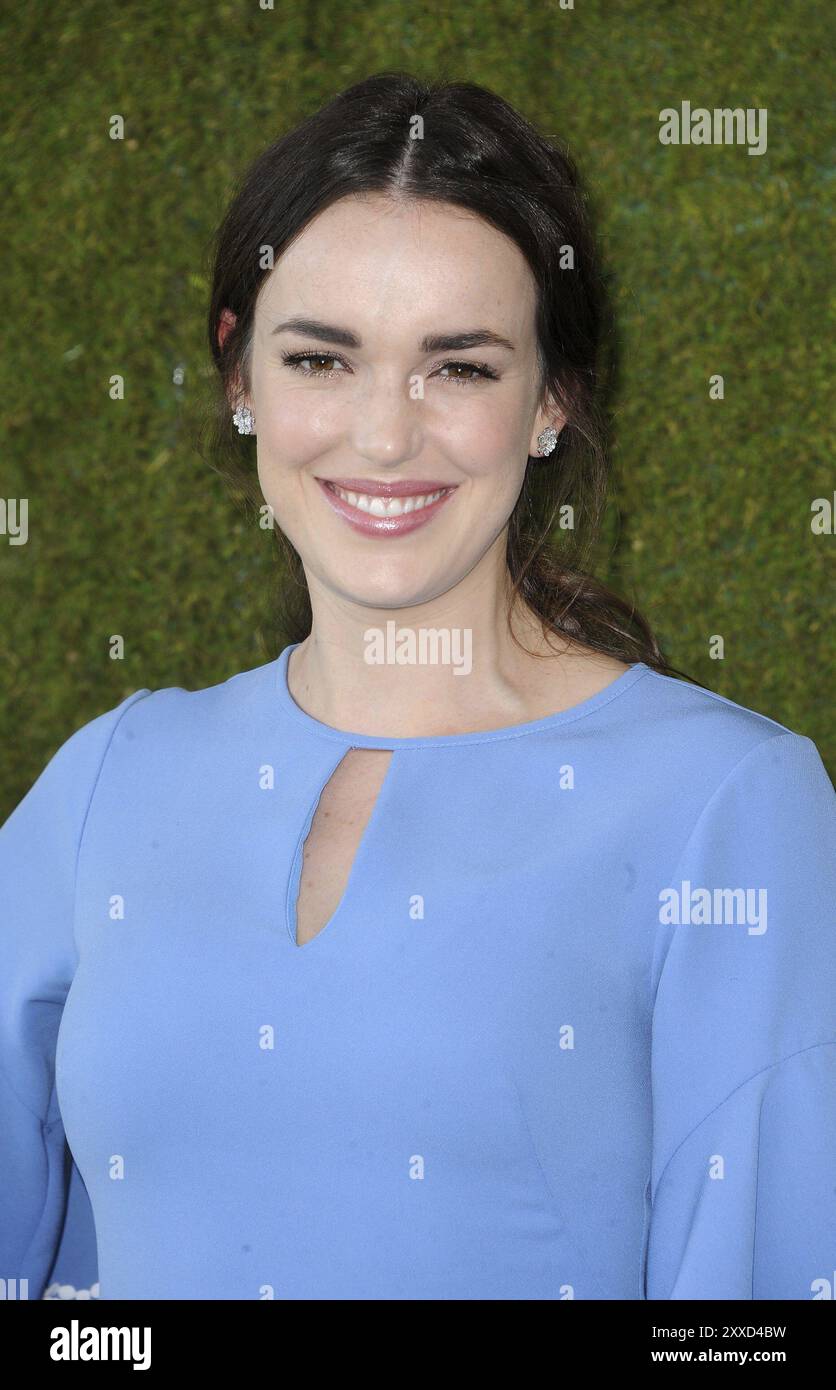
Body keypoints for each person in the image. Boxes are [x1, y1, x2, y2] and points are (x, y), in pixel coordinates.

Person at [2, 72, 834, 1302]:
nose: (383, 437)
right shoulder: (102, 785)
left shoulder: (730, 807)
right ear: (240, 380)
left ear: (549, 401)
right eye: (321, 358)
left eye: (459, 367)